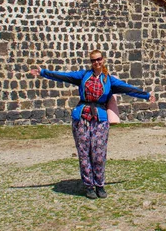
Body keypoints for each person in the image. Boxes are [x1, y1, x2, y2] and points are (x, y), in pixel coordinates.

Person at [30, 49, 156, 199]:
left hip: (100, 119)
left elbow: (127, 88)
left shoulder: (109, 80)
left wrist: (146, 95)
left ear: (103, 60)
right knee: (84, 154)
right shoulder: (83, 76)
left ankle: (99, 185)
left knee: (99, 153)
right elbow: (63, 76)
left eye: (98, 59)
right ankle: (89, 186)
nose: (96, 62)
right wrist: (43, 72)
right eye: (93, 60)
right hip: (81, 119)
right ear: (91, 62)